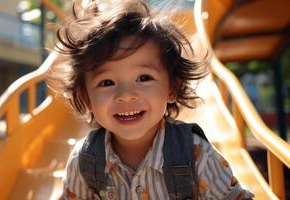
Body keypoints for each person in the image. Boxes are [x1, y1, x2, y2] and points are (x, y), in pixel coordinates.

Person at [47, 0, 254, 199]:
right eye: (107, 82)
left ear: (172, 87)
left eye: (144, 78)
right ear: (86, 97)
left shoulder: (195, 154)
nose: (126, 95)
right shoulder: (85, 160)